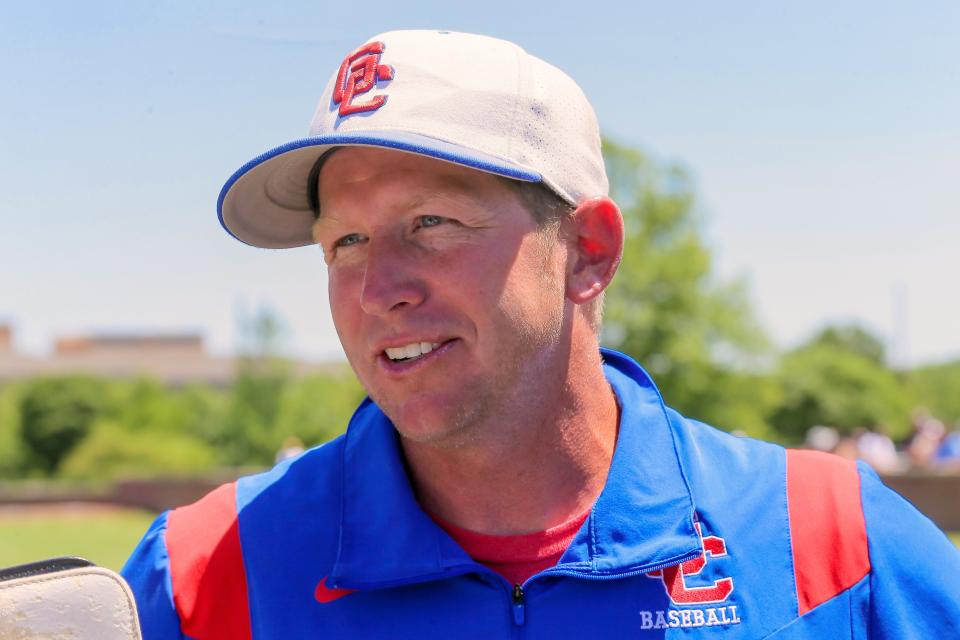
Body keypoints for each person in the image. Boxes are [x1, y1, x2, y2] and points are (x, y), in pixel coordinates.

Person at [122, 30, 960, 639]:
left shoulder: (835, 542)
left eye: (433, 222)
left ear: (588, 252)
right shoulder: (203, 573)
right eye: (344, 241)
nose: (377, 290)